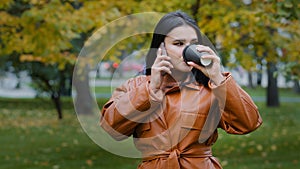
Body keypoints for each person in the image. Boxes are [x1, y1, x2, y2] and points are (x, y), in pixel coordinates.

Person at [100, 10, 262, 169]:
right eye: (178, 44)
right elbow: (111, 128)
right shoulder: (135, 86)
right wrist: (149, 90)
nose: (188, 51)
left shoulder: (212, 87)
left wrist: (218, 77)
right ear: (160, 48)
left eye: (193, 44)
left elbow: (248, 123)